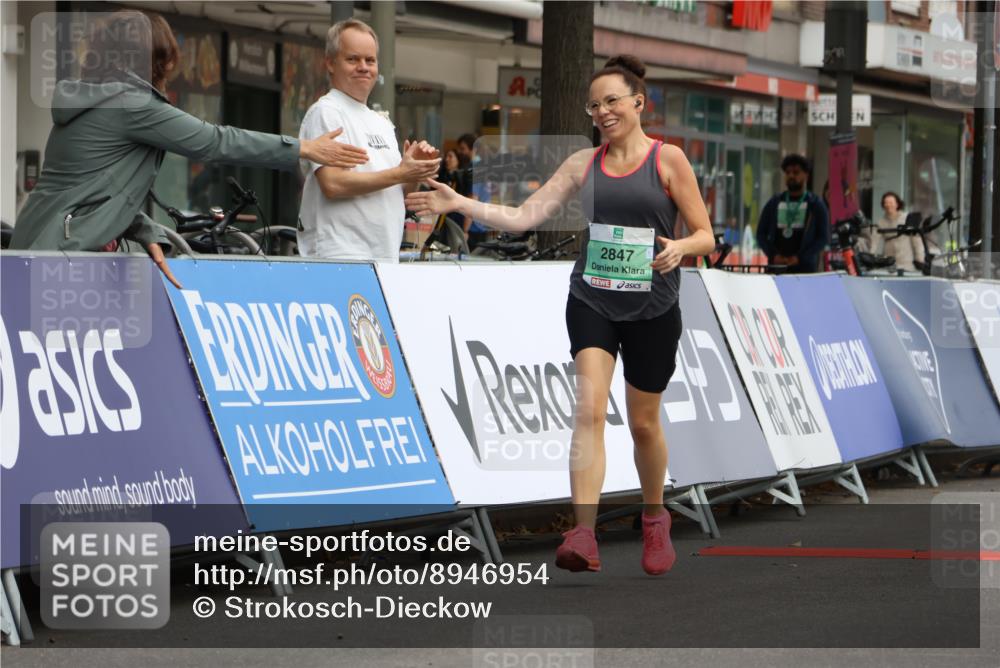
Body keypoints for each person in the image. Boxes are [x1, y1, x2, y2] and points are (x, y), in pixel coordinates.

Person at [407, 55, 714, 576]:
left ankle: (655, 515)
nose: (602, 111)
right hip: (593, 298)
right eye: (594, 105)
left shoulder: (669, 161)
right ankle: (584, 532)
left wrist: (680, 247)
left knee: (643, 423)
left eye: (612, 100)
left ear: (639, 103)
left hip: (653, 306)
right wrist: (458, 200)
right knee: (589, 410)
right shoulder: (582, 164)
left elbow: (707, 234)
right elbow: (524, 216)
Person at [10, 10, 368, 288]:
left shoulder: (95, 98)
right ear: (152, 59)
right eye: (167, 56)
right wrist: (302, 147)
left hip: (36, 246)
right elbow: (214, 141)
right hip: (62, 256)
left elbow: (91, 191)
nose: (171, 66)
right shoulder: (131, 105)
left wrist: (144, 229)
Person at [297, 19, 441, 262]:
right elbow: (333, 184)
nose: (363, 67)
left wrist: (413, 173)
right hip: (340, 255)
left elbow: (398, 193)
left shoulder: (381, 122)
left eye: (370, 60)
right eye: (353, 59)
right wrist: (401, 173)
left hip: (383, 255)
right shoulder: (327, 112)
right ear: (330, 64)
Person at [755, 154, 829, 273]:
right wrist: (773, 255)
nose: (791, 176)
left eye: (796, 172)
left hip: (805, 271)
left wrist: (801, 258)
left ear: (806, 175)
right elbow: (761, 234)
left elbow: (823, 238)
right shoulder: (774, 202)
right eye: (788, 172)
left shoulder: (816, 204)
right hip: (777, 269)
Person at [420, 149, 471, 258]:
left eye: (451, 156)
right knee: (440, 248)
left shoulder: (464, 178)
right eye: (446, 157)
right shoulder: (442, 177)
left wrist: (466, 230)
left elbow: (469, 201)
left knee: (456, 248)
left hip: (457, 220)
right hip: (441, 222)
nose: (447, 160)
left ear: (458, 160)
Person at [455, 133, 492, 250]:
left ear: (473, 149)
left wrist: (465, 230)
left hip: (473, 228)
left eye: (463, 149)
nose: (460, 152)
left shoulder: (474, 169)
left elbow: (473, 199)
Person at [877, 191, 924, 272]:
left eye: (891, 202)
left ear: (897, 204)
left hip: (906, 264)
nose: (888, 205)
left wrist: (920, 260)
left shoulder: (907, 218)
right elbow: (875, 243)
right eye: (886, 203)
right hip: (889, 266)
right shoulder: (880, 222)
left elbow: (916, 240)